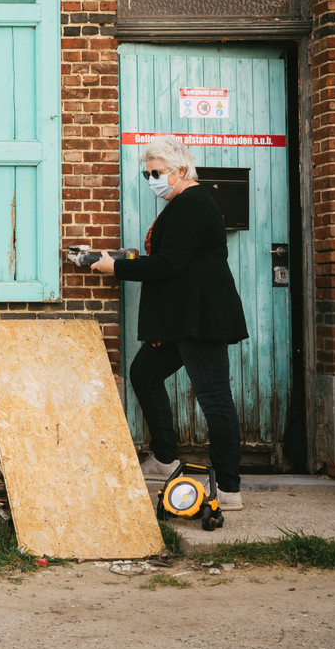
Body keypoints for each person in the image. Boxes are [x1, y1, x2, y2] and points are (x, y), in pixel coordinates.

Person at [89, 136, 249, 512]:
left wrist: (117, 267)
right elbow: (173, 261)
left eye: (156, 172)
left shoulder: (192, 203)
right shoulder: (181, 204)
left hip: (201, 319)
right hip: (180, 318)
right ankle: (164, 459)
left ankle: (228, 488)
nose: (151, 179)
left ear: (179, 171)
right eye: (147, 173)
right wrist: (125, 258)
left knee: (214, 400)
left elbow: (168, 265)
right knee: (144, 374)